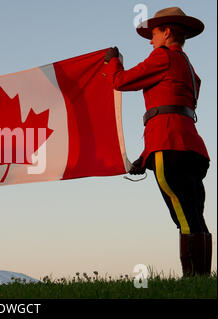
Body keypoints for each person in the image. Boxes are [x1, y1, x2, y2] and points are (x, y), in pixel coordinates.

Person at [103, 7, 212, 277]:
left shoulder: (162, 57)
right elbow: (171, 108)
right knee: (194, 213)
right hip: (191, 147)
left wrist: (113, 61)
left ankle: (194, 280)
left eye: (153, 34)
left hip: (169, 145)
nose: (151, 42)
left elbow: (120, 82)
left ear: (166, 32)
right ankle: (201, 278)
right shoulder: (188, 67)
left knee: (184, 216)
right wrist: (146, 155)